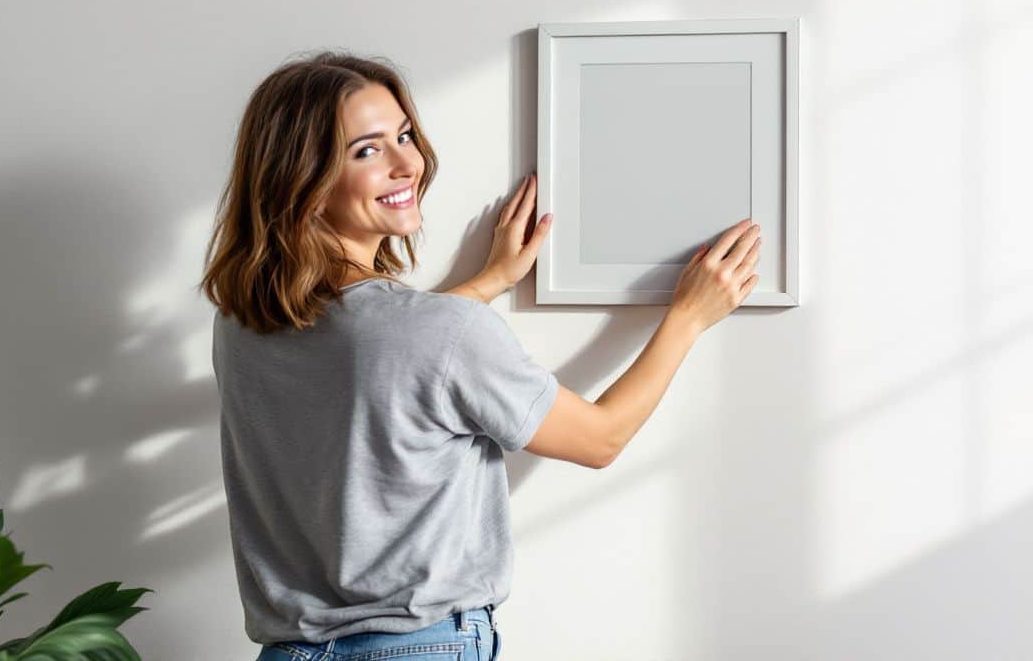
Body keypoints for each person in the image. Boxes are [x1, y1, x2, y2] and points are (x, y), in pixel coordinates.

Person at [200, 51, 761, 660]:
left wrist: (487, 282)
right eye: (366, 151)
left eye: (404, 135)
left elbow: (390, 360)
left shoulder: (240, 324)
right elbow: (600, 440)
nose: (406, 163)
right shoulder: (436, 333)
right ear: (302, 181)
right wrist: (688, 316)